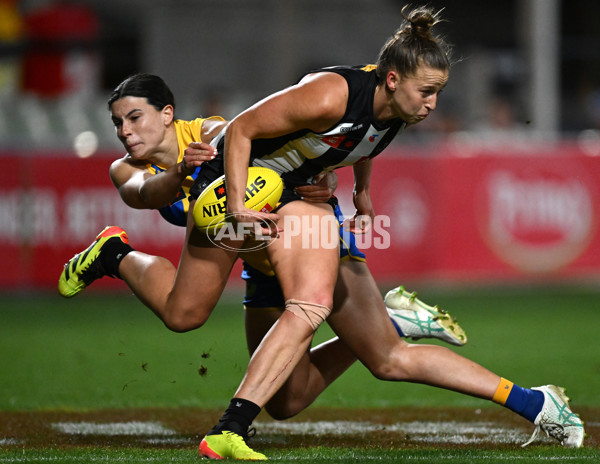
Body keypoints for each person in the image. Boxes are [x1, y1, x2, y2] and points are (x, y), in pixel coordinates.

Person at [60, 6, 584, 459]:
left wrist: (359, 191)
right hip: (244, 211)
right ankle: (115, 253)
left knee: (379, 355)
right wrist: (233, 199)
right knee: (238, 358)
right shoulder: (330, 95)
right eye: (427, 92)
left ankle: (536, 403)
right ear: (394, 80)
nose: (432, 104)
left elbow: (358, 142)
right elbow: (231, 137)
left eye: (437, 93)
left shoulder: (397, 108)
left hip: (287, 211)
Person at [58, 72, 466, 421]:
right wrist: (181, 171)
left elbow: (320, 137)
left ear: (167, 114)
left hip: (293, 239)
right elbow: (146, 193)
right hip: (254, 258)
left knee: (355, 362)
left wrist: (330, 181)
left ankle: (236, 423)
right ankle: (113, 252)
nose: (124, 130)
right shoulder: (125, 168)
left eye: (134, 117)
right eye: (117, 122)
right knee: (261, 381)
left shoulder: (217, 135)